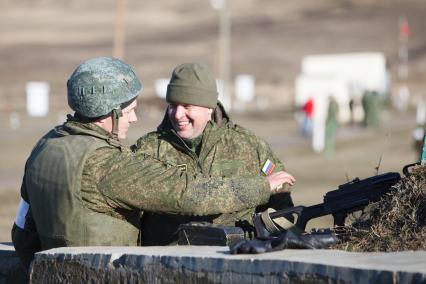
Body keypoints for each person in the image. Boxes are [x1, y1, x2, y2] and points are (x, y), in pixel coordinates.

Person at [11, 57, 294, 268]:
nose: (134, 119)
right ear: (111, 112)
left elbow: (24, 228)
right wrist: (261, 186)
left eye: (188, 105)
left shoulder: (45, 146)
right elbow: (188, 194)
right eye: (131, 110)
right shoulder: (112, 163)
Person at [133, 62, 296, 245]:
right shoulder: (148, 151)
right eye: (172, 105)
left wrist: (266, 235)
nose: (177, 114)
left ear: (208, 107)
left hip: (237, 260)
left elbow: (283, 206)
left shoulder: (248, 146)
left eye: (187, 105)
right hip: (169, 265)